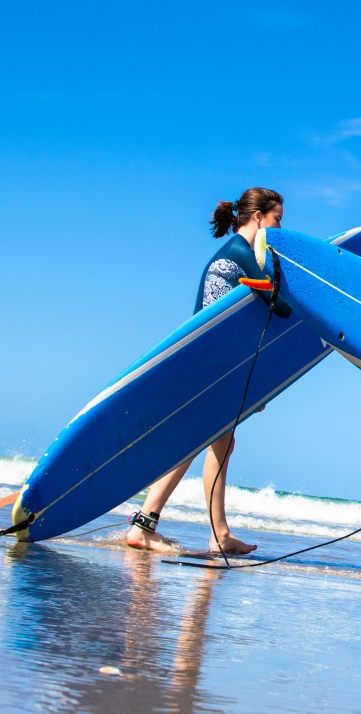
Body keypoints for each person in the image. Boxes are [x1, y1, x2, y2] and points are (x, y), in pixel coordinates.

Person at [125, 187, 285, 556]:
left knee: (220, 443)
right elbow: (279, 307)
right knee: (196, 442)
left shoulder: (230, 254)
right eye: (276, 219)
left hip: (207, 361)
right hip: (214, 366)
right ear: (258, 217)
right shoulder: (243, 255)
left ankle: (217, 533)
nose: (278, 227)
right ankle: (147, 523)